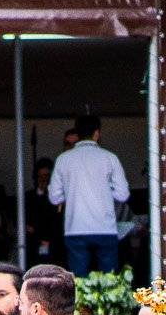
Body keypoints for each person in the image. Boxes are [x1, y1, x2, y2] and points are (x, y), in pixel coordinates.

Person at [48, 116, 129, 277]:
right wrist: (104, 192)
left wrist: (70, 193)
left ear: (77, 134)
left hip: (75, 228)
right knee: (110, 281)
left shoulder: (63, 159)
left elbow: (54, 197)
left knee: (78, 282)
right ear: (97, 133)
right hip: (105, 228)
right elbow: (123, 194)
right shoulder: (109, 158)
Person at [24, 157, 63, 266]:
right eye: (40, 176)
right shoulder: (28, 197)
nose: (43, 179)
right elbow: (24, 222)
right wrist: (38, 235)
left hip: (55, 244)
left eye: (46, 176)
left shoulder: (58, 198)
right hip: (33, 245)